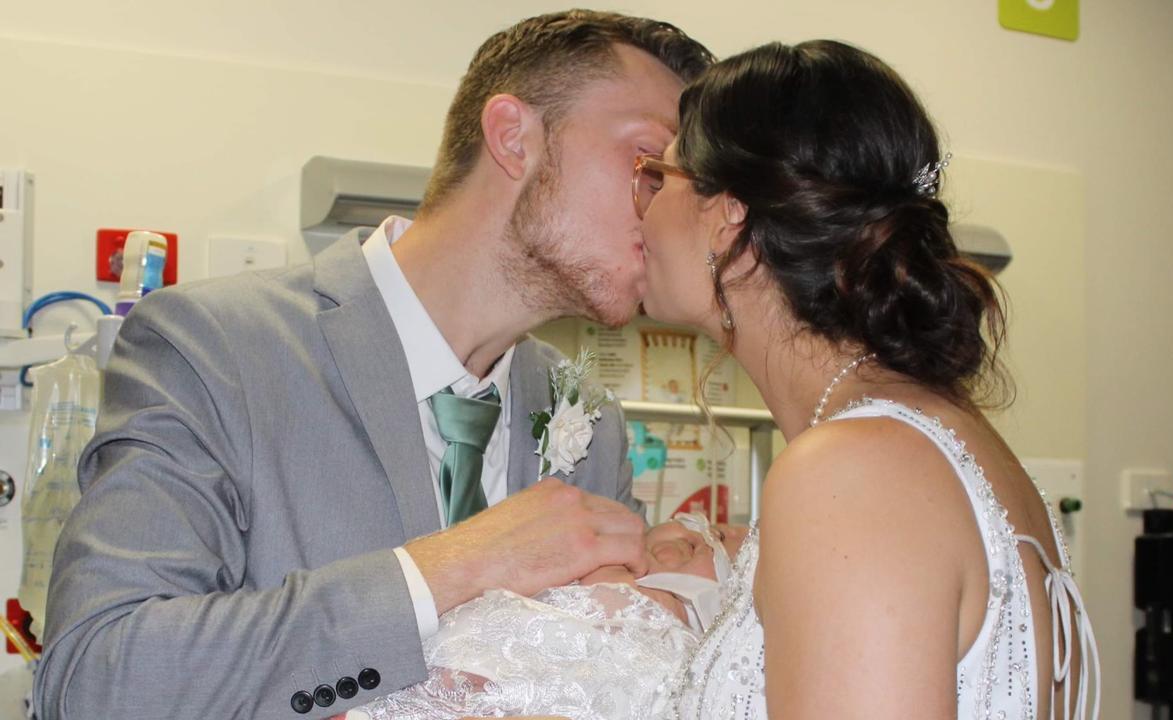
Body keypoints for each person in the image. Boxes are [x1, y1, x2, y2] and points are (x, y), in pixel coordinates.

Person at [33, 11, 713, 719]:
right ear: (515, 138)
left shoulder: (590, 424)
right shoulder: (217, 347)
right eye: (647, 165)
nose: (669, 214)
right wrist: (456, 565)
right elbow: (96, 680)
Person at [637, 40, 1100, 718]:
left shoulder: (853, 471)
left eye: (658, 176)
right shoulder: (939, 441)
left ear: (726, 214)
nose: (640, 209)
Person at [344, 515, 748, 720]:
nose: (702, 535)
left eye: (721, 542)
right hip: (394, 678)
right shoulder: (606, 561)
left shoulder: (674, 646)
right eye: (709, 526)